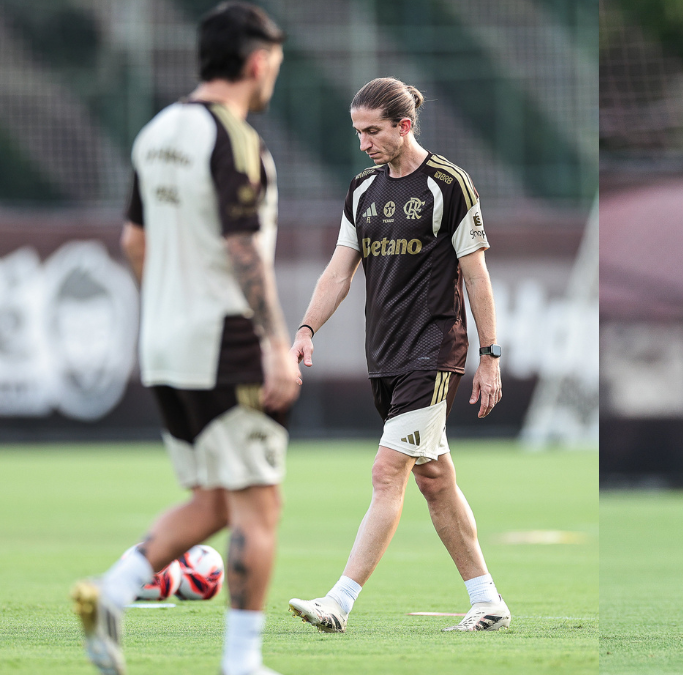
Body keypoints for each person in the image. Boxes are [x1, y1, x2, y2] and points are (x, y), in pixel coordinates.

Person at [70, 4, 298, 674]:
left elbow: (132, 241)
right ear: (257, 63)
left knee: (215, 500)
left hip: (165, 344)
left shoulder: (156, 131)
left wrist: (169, 308)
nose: (272, 79)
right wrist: (277, 344)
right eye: (275, 67)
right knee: (261, 504)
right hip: (225, 343)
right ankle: (242, 661)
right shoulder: (235, 138)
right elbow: (243, 249)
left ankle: (113, 591)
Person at [285, 77, 508, 633]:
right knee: (435, 478)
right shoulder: (362, 190)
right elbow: (340, 268)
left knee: (389, 474)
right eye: (358, 131)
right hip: (383, 355)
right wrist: (308, 326)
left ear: (404, 126)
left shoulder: (449, 185)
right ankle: (488, 602)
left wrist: (490, 354)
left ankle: (338, 602)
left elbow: (476, 276)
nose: (363, 142)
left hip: (433, 353)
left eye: (373, 131)